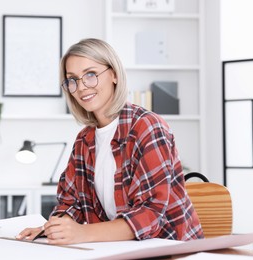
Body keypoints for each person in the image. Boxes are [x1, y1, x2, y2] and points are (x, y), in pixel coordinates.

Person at [17, 38, 204, 245]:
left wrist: (81, 234)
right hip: (121, 249)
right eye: (73, 80)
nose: (81, 87)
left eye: (90, 75)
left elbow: (150, 214)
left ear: (114, 74)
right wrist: (53, 229)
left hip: (171, 248)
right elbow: (71, 203)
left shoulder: (146, 127)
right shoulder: (84, 140)